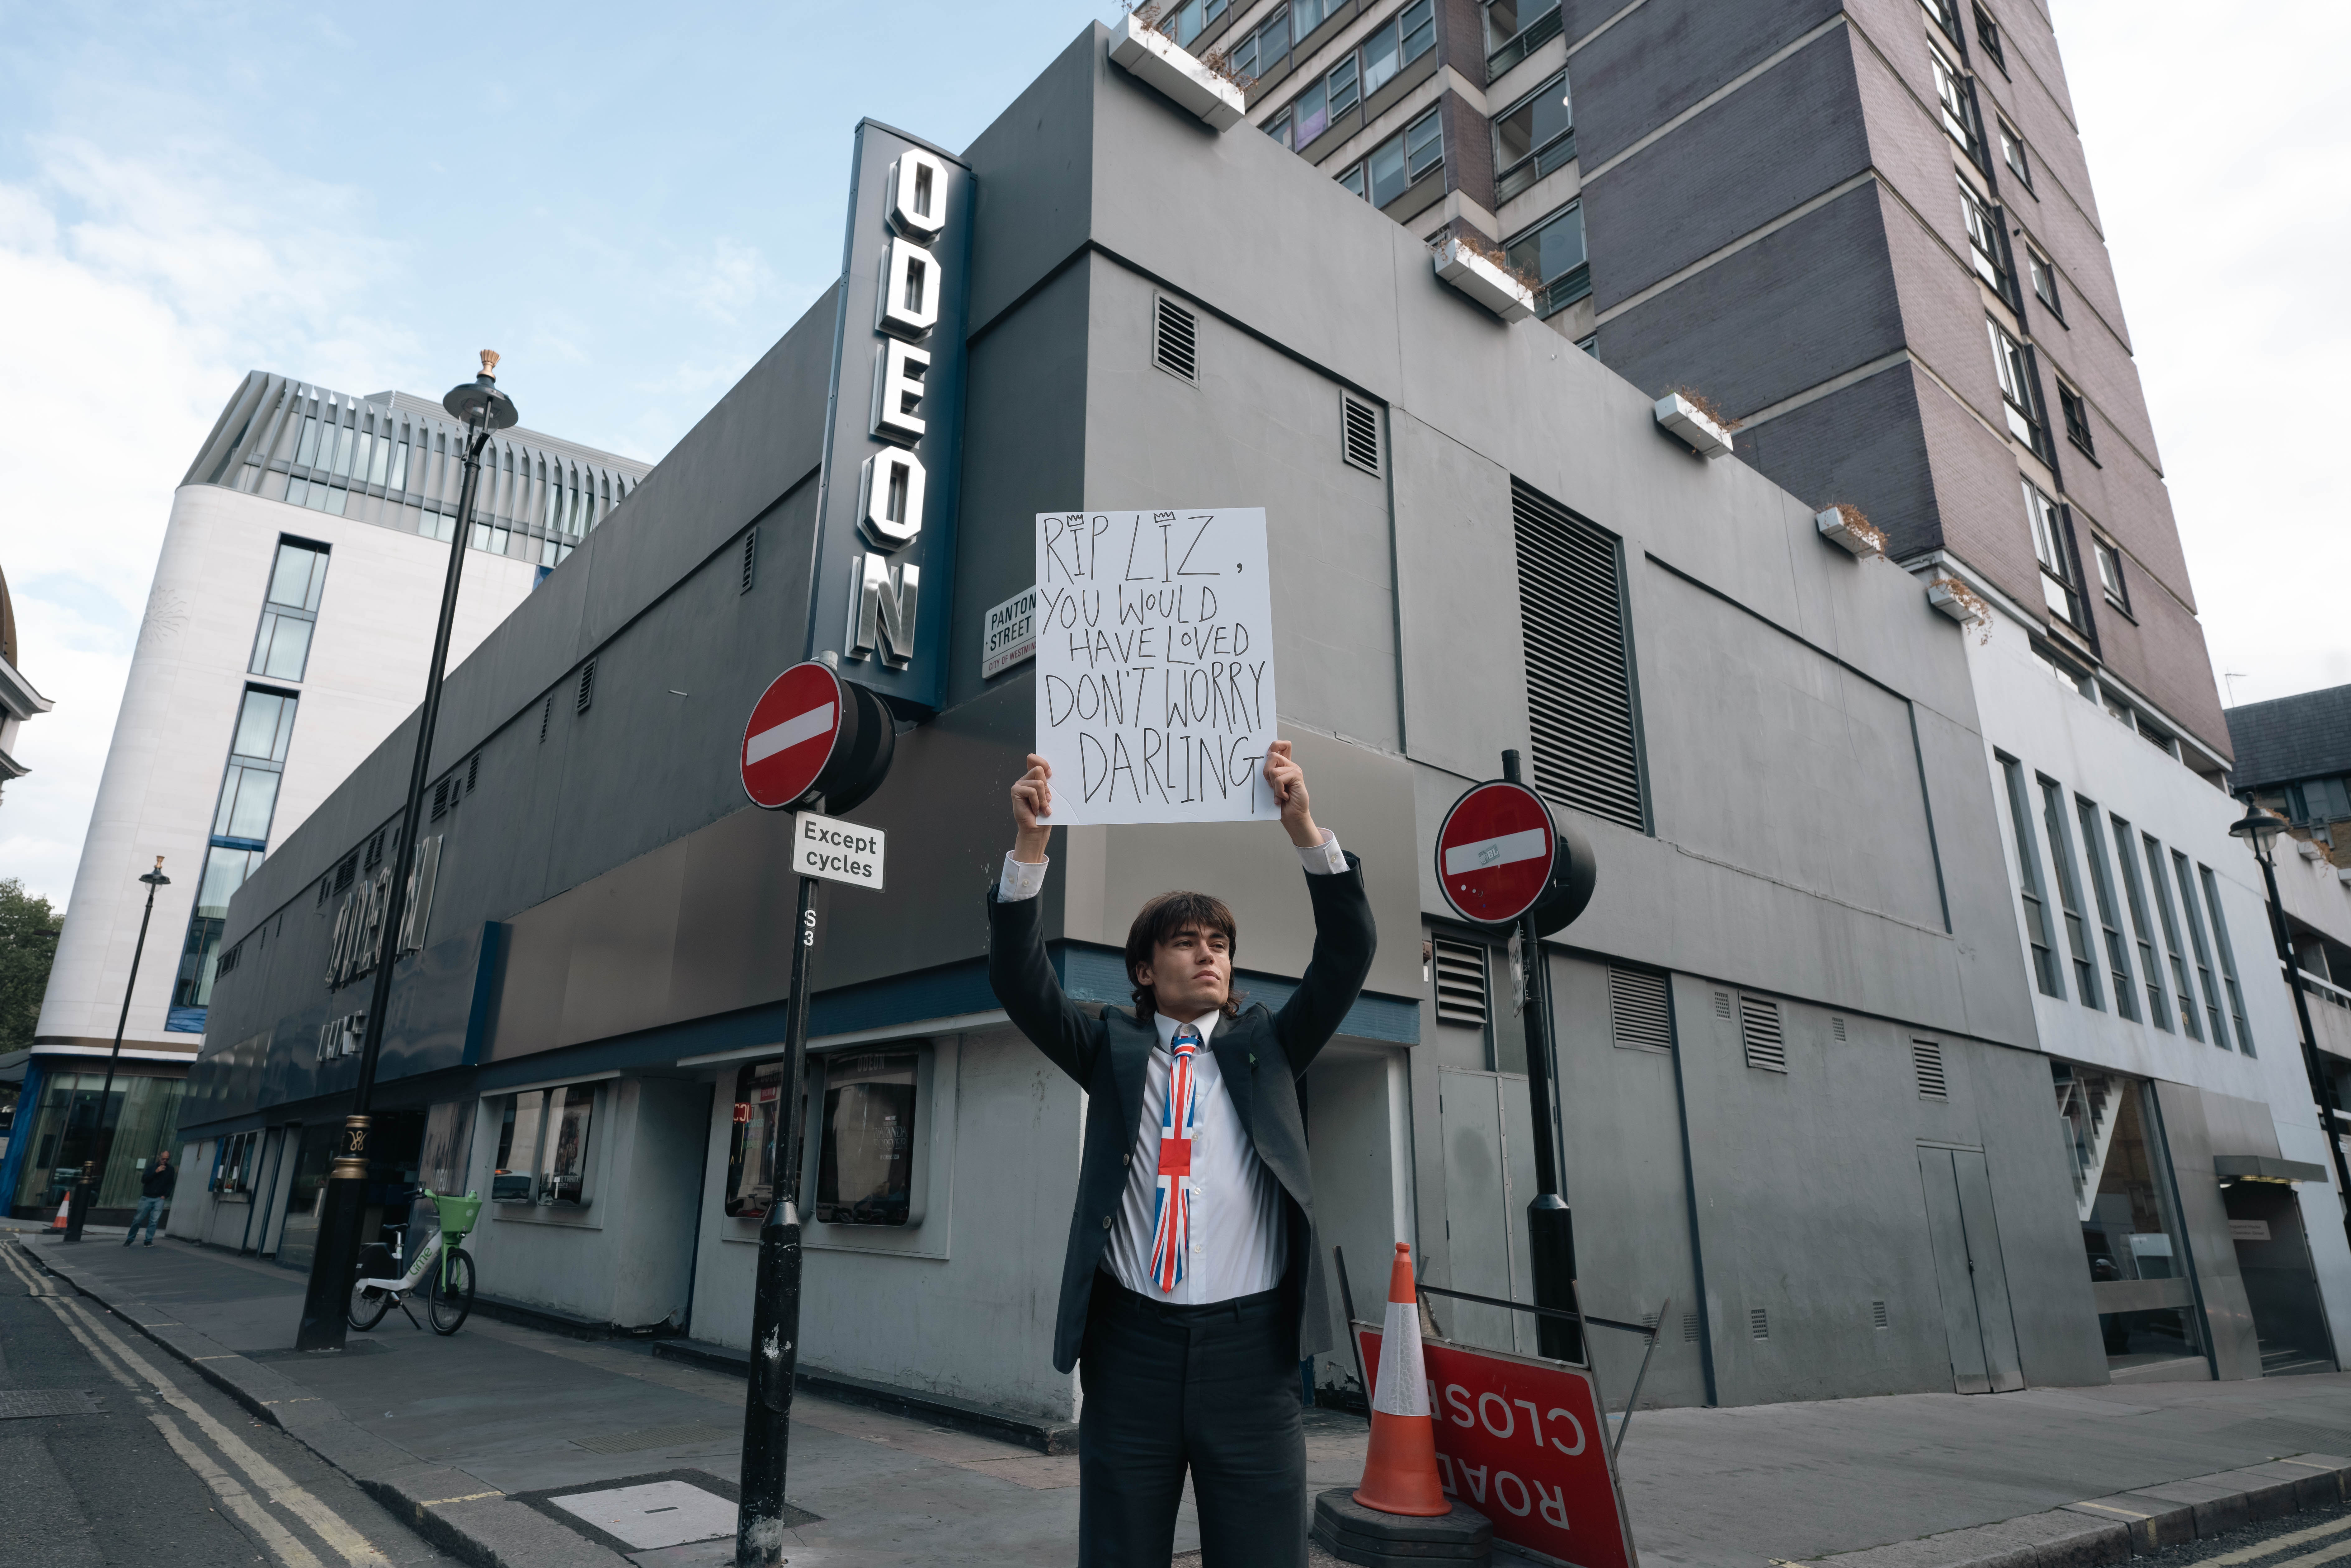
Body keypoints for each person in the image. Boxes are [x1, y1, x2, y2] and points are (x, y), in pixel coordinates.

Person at [987, 740, 1376, 1567]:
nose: (1209, 954)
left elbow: (1347, 952)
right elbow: (1022, 983)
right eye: (1187, 941)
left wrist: (1303, 826)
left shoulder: (1270, 1045)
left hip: (1253, 1359)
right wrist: (1030, 847)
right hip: (1131, 1354)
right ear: (1143, 967)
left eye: (1220, 943)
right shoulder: (1108, 1046)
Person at [125, 1149, 174, 1246]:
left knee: (154, 1221)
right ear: (160, 1158)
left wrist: (165, 1196)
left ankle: (148, 1241)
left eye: (167, 1159)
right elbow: (144, 1180)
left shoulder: (170, 1169)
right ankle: (130, 1239)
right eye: (163, 1159)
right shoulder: (152, 1168)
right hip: (147, 1197)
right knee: (138, 1220)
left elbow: (171, 1184)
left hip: (159, 1198)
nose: (165, 1161)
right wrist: (156, 1172)